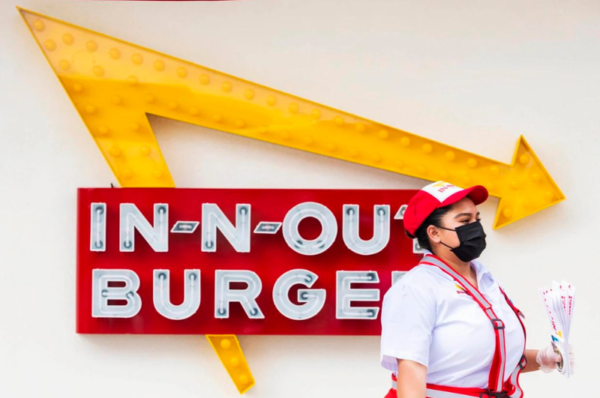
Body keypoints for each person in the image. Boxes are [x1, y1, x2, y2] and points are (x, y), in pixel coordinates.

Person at [380, 181, 575, 398]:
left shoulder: (485, 280)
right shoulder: (415, 289)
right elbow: (411, 376)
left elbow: (476, 367)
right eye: (465, 220)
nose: (476, 227)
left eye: (477, 219)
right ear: (434, 233)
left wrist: (540, 358)